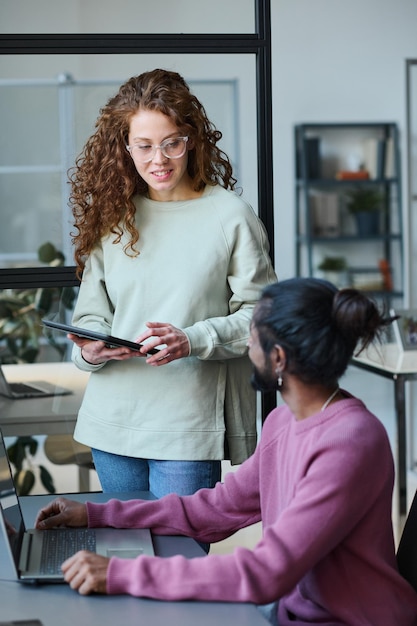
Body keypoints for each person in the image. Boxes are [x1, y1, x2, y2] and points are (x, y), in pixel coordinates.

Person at [36, 278, 417, 625]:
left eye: (252, 339)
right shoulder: (283, 423)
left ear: (279, 357)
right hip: (293, 611)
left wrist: (119, 573)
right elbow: (216, 509)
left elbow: (267, 572)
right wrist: (95, 514)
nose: (248, 348)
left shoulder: (351, 441)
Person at [66, 68, 276, 498]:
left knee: (176, 560)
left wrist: (193, 339)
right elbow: (90, 313)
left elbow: (263, 317)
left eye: (171, 143)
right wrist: (90, 349)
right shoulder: (114, 215)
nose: (158, 160)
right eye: (143, 146)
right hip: (113, 422)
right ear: (124, 147)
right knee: (121, 559)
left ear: (192, 140)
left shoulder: (230, 216)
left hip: (188, 425)